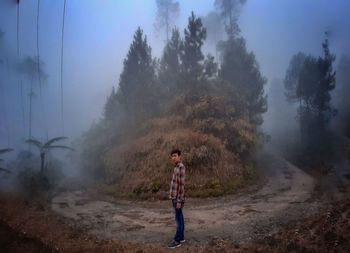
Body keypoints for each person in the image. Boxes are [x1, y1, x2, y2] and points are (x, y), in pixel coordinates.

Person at [167, 149, 186, 249]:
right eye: (172, 156)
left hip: (177, 198)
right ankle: (181, 237)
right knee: (180, 217)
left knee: (178, 219)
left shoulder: (181, 167)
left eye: (175, 155)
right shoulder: (176, 167)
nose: (173, 158)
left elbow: (181, 185)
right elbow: (175, 183)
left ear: (179, 156)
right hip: (174, 196)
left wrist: (179, 200)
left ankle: (177, 241)